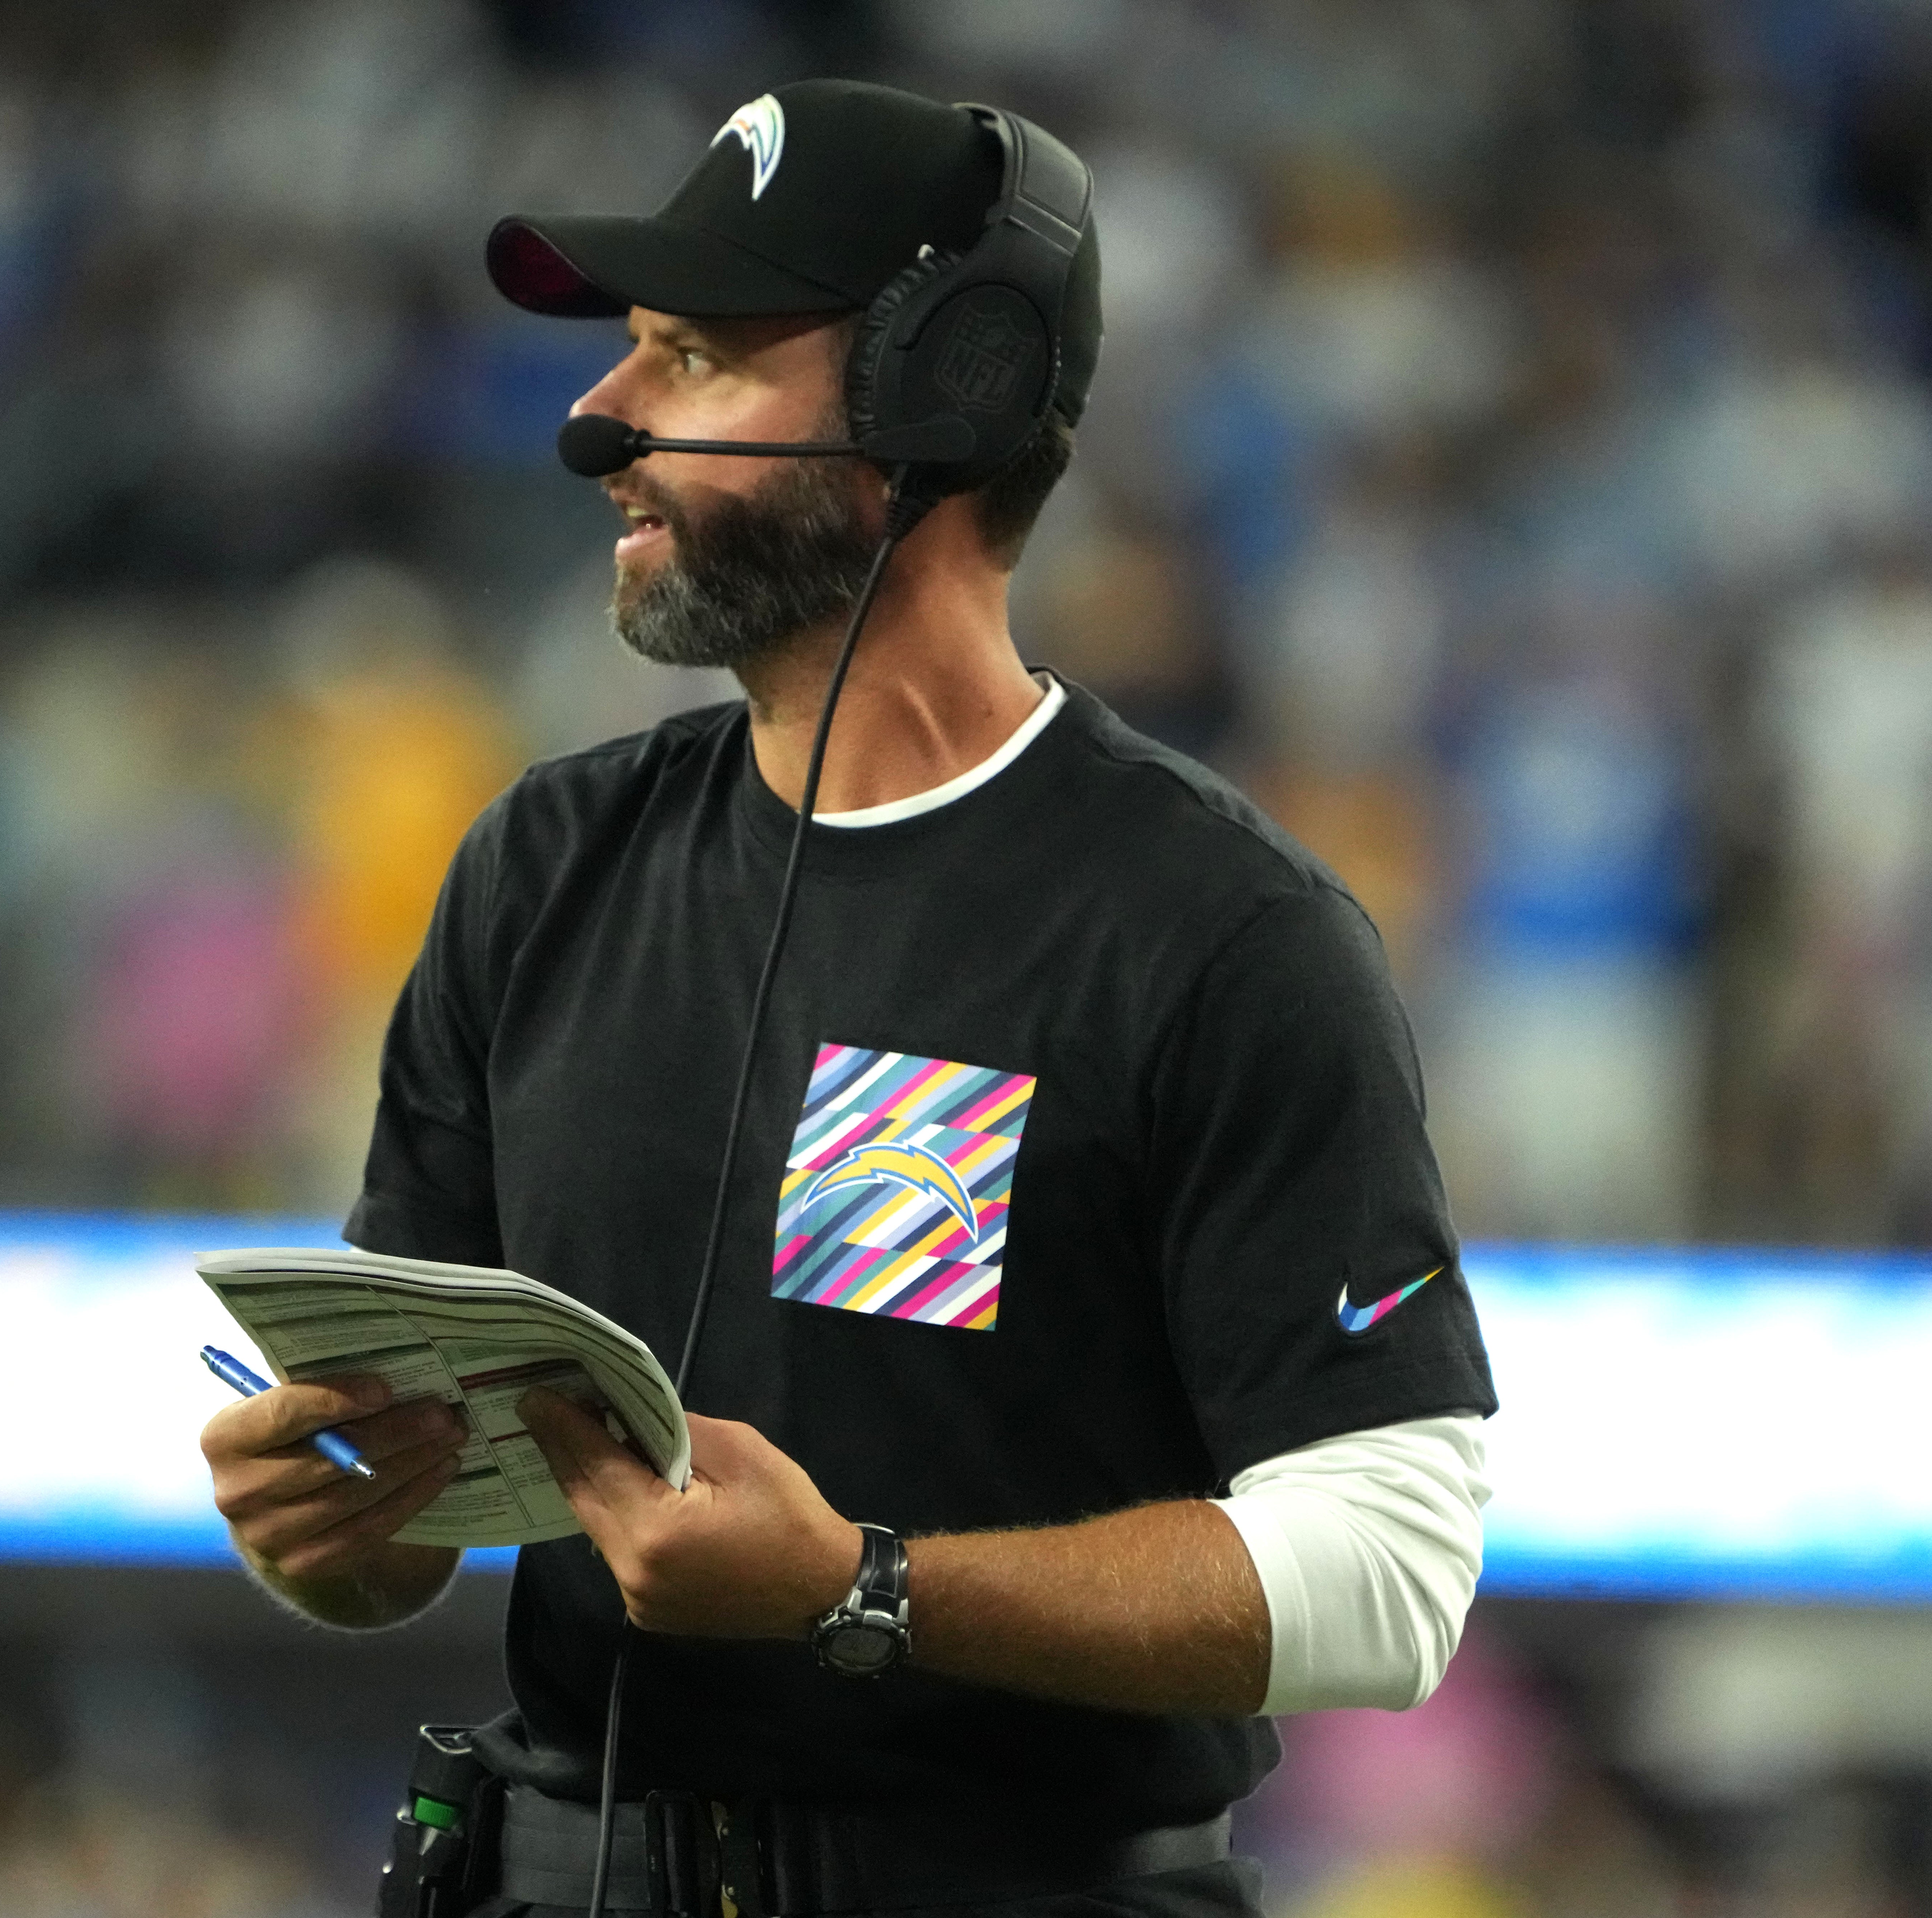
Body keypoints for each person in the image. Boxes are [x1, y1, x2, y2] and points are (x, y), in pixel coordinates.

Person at [198, 79, 1498, 1915]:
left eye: (694, 358)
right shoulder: (540, 868)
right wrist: (332, 1524)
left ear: (937, 399)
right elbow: (407, 1512)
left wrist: (859, 1587)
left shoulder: (1221, 933)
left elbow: (1392, 1565)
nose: (597, 420)